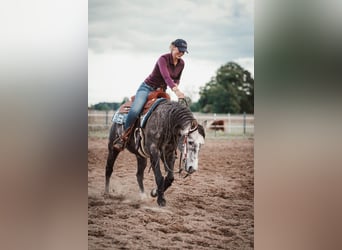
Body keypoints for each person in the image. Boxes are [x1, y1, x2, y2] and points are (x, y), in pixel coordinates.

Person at [113, 38, 188, 151]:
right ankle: (124, 136)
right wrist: (176, 91)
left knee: (168, 114)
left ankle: (167, 142)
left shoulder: (181, 63)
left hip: (161, 91)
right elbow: (166, 77)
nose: (181, 53)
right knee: (135, 110)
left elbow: (176, 79)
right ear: (173, 47)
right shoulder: (163, 59)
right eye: (179, 50)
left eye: (183, 51)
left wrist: (176, 86)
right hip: (147, 88)